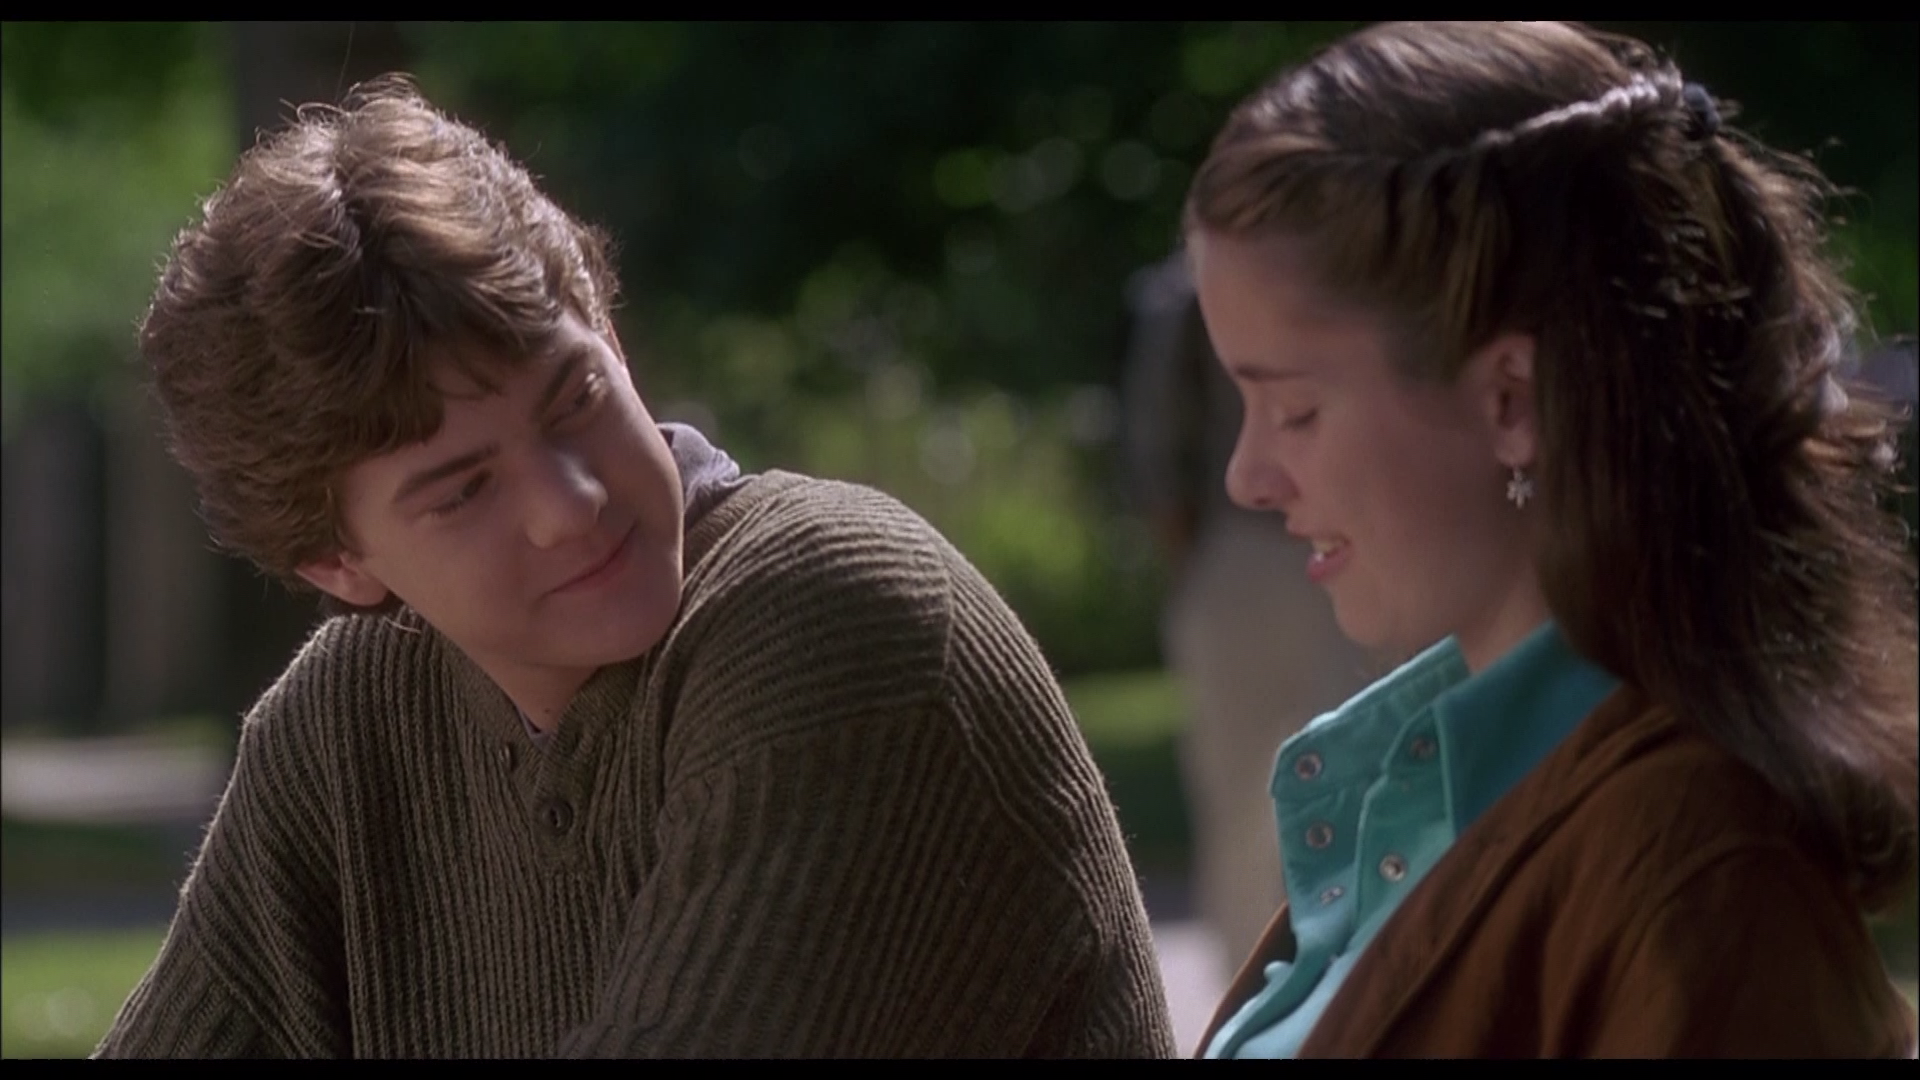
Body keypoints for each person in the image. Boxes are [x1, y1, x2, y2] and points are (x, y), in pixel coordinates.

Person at [93, 76, 1177, 1059]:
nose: (569, 505)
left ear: (608, 334)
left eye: (574, 399)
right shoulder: (345, 729)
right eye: (464, 491)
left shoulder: (834, 612)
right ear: (337, 561)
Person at [1180, 21, 1919, 1058]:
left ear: (1512, 401)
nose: (1247, 477)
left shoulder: (1696, 883)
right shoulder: (1421, 795)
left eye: (1295, 410)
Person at [1119, 252, 1378, 968]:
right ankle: (1257, 980)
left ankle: (1326, 974)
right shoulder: (1192, 294)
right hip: (1245, 552)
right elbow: (1159, 447)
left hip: (1274, 550)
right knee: (1245, 791)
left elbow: (1155, 447)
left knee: (1312, 775)